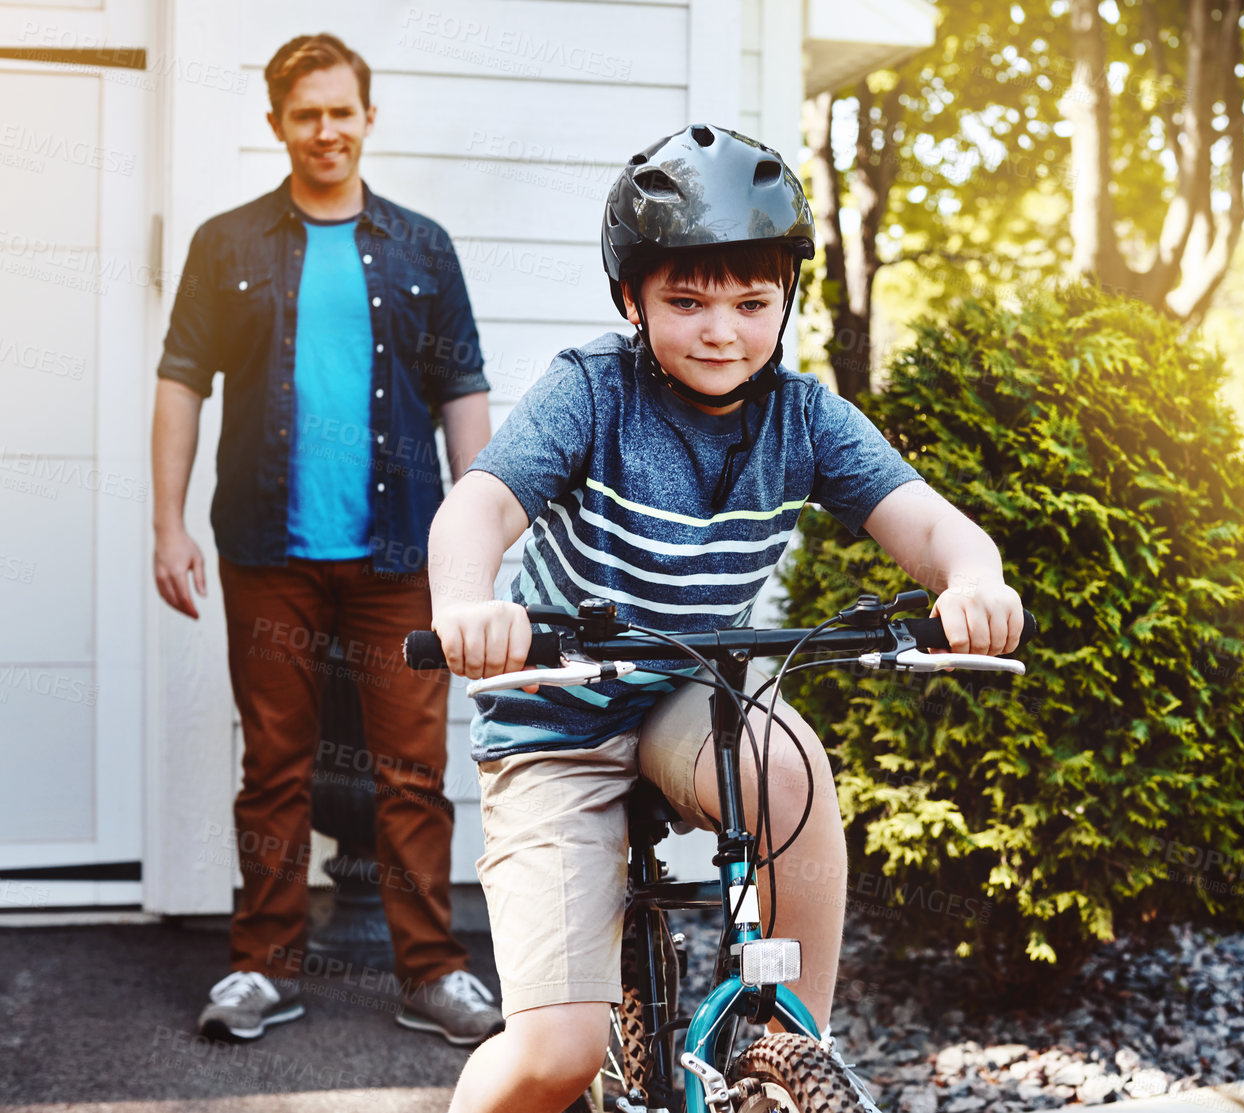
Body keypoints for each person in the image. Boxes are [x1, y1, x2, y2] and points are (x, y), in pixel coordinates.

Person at [425, 123, 1026, 1113]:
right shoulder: (592, 392)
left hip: (685, 700)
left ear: (787, 301)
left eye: (753, 303)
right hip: (558, 716)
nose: (722, 331)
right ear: (632, 297)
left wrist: (972, 578)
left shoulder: (803, 415)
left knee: (785, 764)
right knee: (554, 1057)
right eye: (687, 301)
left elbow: (926, 524)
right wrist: (466, 603)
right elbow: (480, 506)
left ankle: (793, 1053)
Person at [150, 32, 502, 1046]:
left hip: (400, 553)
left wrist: (468, 545)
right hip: (268, 549)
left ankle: (431, 972)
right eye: (305, 114)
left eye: (341, 111)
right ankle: (259, 967)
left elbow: (462, 393)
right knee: (276, 767)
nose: (325, 131)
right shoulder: (227, 244)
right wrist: (167, 524)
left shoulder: (422, 246)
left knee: (411, 772)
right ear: (277, 126)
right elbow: (181, 379)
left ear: (368, 118)